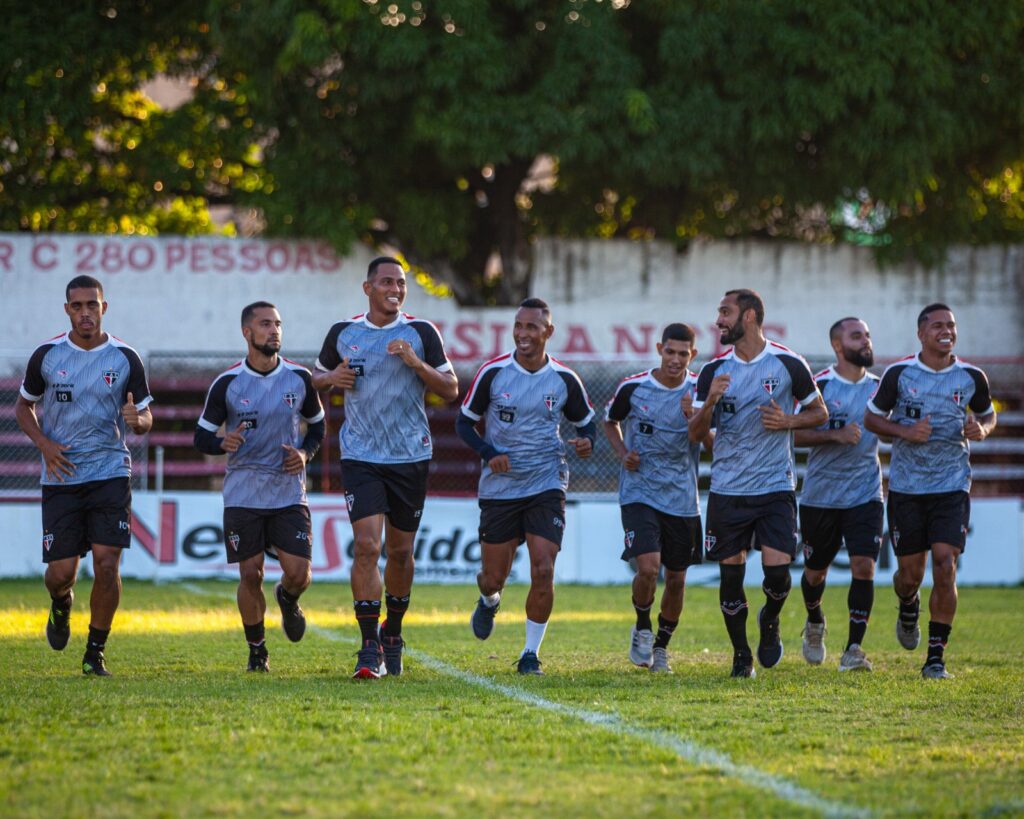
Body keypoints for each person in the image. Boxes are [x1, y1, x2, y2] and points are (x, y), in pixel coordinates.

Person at [313, 257, 458, 679]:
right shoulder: (344, 333)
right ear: (367, 288)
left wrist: (416, 363)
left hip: (410, 456)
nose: (395, 289)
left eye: (401, 283)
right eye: (386, 282)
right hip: (361, 456)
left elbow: (450, 389)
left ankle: (392, 631)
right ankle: (367, 646)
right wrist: (332, 378)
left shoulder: (421, 332)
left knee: (399, 551)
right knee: (366, 548)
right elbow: (316, 378)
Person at [15, 275, 154, 676]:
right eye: (77, 306)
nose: (85, 313)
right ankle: (61, 603)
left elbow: (145, 414)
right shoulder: (47, 355)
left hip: (110, 471)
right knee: (60, 574)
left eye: (92, 305)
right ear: (67, 310)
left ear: (103, 308)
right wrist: (44, 444)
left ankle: (95, 652)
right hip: (61, 476)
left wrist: (138, 421)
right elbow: (23, 408)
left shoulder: (125, 357)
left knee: (108, 563)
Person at [688, 289, 828, 677]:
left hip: (775, 488)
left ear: (748, 316)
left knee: (779, 575)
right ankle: (741, 655)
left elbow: (820, 413)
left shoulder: (788, 362)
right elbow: (695, 434)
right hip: (728, 491)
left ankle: (770, 619)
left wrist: (789, 421)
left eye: (725, 312)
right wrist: (711, 403)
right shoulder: (712, 373)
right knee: (731, 578)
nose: (718, 320)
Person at [457, 298, 596, 675]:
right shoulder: (493, 373)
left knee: (544, 569)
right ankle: (488, 600)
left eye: (532, 327)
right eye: (518, 326)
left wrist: (587, 442)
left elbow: (587, 425)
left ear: (548, 332)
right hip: (501, 487)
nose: (523, 333)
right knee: (493, 577)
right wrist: (488, 452)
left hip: (547, 481)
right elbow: (463, 424)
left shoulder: (565, 380)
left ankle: (530, 654)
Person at [864, 303, 996, 679]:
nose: (947, 331)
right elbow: (872, 417)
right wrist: (905, 432)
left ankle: (935, 658)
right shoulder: (900, 374)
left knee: (944, 563)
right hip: (907, 488)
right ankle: (908, 603)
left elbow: (988, 413)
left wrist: (982, 428)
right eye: (938, 325)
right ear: (921, 333)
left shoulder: (971, 376)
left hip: (952, 485)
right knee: (909, 574)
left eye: (951, 325)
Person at [194, 302, 325, 673]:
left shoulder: (300, 379)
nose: (275, 331)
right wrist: (222, 443)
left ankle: (287, 597)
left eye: (278, 324)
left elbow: (317, 427)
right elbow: (201, 437)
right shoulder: (228, 383)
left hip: (287, 490)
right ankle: (257, 649)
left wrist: (305, 452)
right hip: (244, 492)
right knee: (250, 573)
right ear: (247, 333)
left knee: (299, 573)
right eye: (266, 324)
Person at [603, 323, 709, 674]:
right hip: (639, 491)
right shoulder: (633, 387)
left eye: (683, 353)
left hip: (682, 497)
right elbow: (610, 422)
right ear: (660, 348)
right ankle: (643, 625)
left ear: (692, 355)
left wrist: (694, 416)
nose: (675, 359)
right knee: (648, 568)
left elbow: (713, 444)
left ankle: (661, 648)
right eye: (670, 352)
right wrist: (623, 453)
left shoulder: (698, 391)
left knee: (677, 579)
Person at [794, 317, 882, 672]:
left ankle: (853, 649)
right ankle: (814, 621)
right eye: (857, 335)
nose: (865, 341)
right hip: (820, 496)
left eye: (867, 335)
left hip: (865, 493)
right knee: (815, 572)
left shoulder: (880, 388)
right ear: (837, 345)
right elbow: (790, 434)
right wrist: (834, 435)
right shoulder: (820, 386)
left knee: (864, 566)